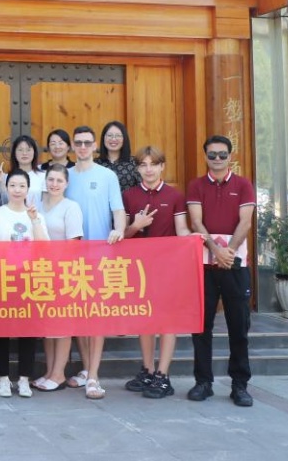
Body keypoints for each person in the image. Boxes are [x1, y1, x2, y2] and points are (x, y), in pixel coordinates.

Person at [186, 135, 254, 407]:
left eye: (222, 154)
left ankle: (240, 385)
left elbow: (245, 222)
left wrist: (229, 252)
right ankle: (203, 382)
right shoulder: (196, 185)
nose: (217, 159)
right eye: (212, 154)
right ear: (205, 156)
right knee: (201, 326)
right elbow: (196, 222)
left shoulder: (243, 184)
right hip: (204, 262)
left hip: (235, 264)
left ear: (230, 156)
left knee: (239, 326)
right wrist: (215, 250)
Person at [121, 146, 189, 400]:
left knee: (167, 321)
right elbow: (123, 234)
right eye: (143, 164)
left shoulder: (174, 195)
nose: (148, 169)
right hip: (139, 268)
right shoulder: (129, 195)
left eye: (153, 164)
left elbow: (181, 230)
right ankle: (148, 370)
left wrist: (194, 238)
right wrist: (136, 225)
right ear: (137, 169)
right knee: (145, 319)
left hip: (168, 268)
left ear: (162, 166)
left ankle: (163, 375)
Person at [65, 125, 126, 400]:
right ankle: (86, 367)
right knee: (78, 313)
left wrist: (119, 229)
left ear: (94, 146)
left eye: (87, 143)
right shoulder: (65, 176)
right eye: (78, 142)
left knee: (97, 314)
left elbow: (118, 210)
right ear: (72, 145)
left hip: (100, 254)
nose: (82, 147)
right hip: (71, 256)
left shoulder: (107, 175)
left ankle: (94, 375)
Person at [0, 169, 49, 398]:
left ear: (28, 189)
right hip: (3, 278)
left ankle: (24, 378)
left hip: (29, 279)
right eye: (13, 185)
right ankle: (3, 378)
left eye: (22, 186)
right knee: (1, 330)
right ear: (6, 187)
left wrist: (34, 220)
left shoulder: (35, 214)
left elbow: (44, 246)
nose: (17, 190)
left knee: (28, 331)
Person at [32, 164, 84, 392]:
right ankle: (49, 371)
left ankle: (59, 374)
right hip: (41, 272)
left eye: (59, 180)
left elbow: (74, 243)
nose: (54, 184)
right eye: (51, 179)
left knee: (62, 324)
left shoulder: (71, 207)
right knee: (47, 325)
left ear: (66, 183)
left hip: (63, 271)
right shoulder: (36, 205)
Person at [97, 120, 141, 192]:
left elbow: (143, 190)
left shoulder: (135, 163)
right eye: (109, 135)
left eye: (118, 135)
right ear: (103, 138)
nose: (113, 139)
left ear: (124, 139)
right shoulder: (95, 164)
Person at [9, 135, 45, 204]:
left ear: (34, 152)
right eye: (20, 150)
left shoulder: (43, 176)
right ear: (14, 153)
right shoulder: (7, 177)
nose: (24, 153)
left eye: (28, 150)